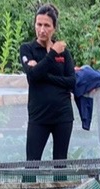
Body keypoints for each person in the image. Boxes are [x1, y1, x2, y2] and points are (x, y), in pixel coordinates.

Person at [18, 6, 78, 162]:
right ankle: (29, 188)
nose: (42, 29)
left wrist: (44, 74)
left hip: (62, 115)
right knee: (32, 162)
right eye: (39, 24)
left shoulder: (63, 52)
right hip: (39, 116)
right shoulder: (27, 49)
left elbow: (71, 81)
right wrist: (52, 54)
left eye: (47, 25)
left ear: (54, 28)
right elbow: (32, 76)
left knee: (60, 162)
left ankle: (60, 187)